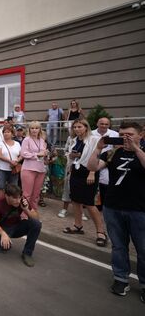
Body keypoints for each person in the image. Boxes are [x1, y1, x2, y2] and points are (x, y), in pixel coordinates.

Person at [87, 121, 145, 301]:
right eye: (121, 134)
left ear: (140, 135)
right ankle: (121, 278)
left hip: (139, 209)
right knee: (119, 246)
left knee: (143, 248)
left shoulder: (141, 153)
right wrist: (97, 149)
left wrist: (136, 149)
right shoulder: (112, 153)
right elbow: (92, 167)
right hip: (113, 207)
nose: (125, 138)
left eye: (129, 134)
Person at [62, 119, 107, 247]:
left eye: (79, 127)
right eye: (75, 127)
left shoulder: (94, 139)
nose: (77, 129)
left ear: (86, 127)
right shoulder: (74, 140)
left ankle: (101, 232)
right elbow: (69, 155)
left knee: (89, 203)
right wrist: (71, 156)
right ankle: (78, 226)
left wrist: (92, 172)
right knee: (75, 200)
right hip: (76, 172)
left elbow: (98, 156)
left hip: (89, 172)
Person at [0, 184, 42, 267]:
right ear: (6, 196)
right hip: (3, 229)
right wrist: (3, 234)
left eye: (19, 197)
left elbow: (36, 218)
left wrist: (26, 209)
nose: (18, 200)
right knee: (4, 248)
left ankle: (27, 253)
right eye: (14, 198)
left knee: (36, 224)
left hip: (17, 226)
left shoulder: (22, 201)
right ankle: (2, 239)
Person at [91, 117, 119, 211]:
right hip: (94, 161)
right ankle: (94, 205)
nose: (104, 126)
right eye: (102, 123)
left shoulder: (114, 134)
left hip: (107, 163)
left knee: (105, 184)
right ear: (97, 124)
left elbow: (117, 148)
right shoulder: (91, 133)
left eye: (106, 124)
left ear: (109, 125)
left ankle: (104, 206)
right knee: (94, 185)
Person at [20, 121, 48, 210]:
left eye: (36, 128)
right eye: (32, 128)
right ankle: (24, 216)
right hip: (28, 169)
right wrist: (36, 155)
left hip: (40, 170)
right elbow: (23, 154)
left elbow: (43, 152)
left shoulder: (42, 140)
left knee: (36, 195)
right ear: (29, 129)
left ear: (40, 129)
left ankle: (33, 214)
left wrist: (46, 154)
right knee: (27, 195)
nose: (34, 130)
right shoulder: (26, 139)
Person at [0, 126, 22, 198]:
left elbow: (21, 155)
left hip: (13, 169)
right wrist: (10, 161)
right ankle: (0, 202)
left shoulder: (17, 144)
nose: (6, 134)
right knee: (1, 186)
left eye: (8, 132)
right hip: (2, 168)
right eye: (4, 132)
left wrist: (16, 161)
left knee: (13, 187)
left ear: (12, 134)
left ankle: (11, 203)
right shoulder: (0, 143)